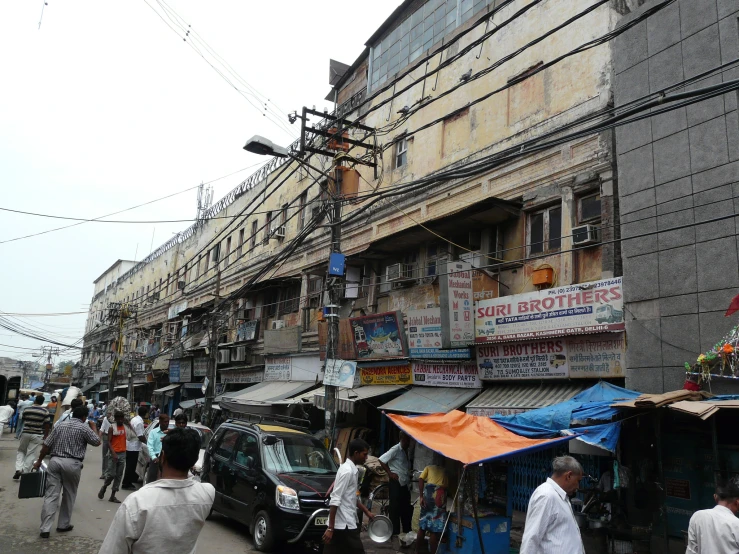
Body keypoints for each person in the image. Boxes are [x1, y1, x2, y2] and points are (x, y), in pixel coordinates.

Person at [97, 427, 215, 554]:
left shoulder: (137, 502)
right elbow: (190, 479)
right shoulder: (206, 494)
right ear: (195, 459)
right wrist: (185, 447)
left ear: (162, 457)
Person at [33, 404, 101, 538]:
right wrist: (93, 427)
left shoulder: (60, 425)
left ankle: (45, 528)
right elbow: (97, 442)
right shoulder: (84, 427)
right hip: (73, 463)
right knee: (69, 494)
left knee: (51, 494)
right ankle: (63, 525)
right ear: (84, 417)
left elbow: (46, 445)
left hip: (55, 461)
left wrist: (40, 460)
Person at [520, 455, 585, 554]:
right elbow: (532, 537)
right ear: (569, 476)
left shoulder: (560, 496)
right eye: (578, 481)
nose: (578, 486)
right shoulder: (547, 496)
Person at [323, 438, 375, 554]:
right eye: (364, 454)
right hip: (344, 524)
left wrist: (366, 512)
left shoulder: (353, 470)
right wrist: (330, 528)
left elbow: (352, 498)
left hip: (344, 523)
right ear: (356, 453)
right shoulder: (347, 471)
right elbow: (335, 499)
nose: (366, 458)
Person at [686, 476, 739, 553]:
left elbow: (691, 551)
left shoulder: (697, 517)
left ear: (715, 497)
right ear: (737, 502)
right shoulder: (736, 524)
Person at [378, 430, 413, 540]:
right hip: (396, 482)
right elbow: (382, 460)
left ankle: (407, 530)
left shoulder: (405, 451)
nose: (409, 442)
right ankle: (395, 532)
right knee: (395, 508)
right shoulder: (396, 449)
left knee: (406, 507)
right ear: (402, 439)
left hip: (404, 482)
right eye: (407, 440)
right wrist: (390, 473)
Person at [416, 453, 448, 554]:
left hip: (427, 495)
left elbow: (420, 479)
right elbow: (446, 486)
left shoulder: (428, 467)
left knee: (423, 526)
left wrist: (421, 496)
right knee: (435, 528)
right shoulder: (445, 471)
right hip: (439, 497)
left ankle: (417, 551)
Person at [14, 395, 51, 478]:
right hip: (37, 434)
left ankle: (18, 469)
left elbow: (23, 419)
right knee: (31, 453)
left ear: (35, 401)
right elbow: (47, 424)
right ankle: (25, 472)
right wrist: (46, 435)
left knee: (21, 451)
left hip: (26, 432)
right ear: (42, 402)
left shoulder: (27, 409)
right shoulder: (45, 411)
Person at [98, 411, 128, 503]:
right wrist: (113, 453)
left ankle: (113, 495)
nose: (120, 420)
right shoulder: (112, 428)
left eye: (121, 418)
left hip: (123, 453)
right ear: (115, 419)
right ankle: (104, 487)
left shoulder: (125, 427)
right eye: (118, 418)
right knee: (111, 474)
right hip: (114, 453)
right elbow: (109, 442)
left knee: (119, 475)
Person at [121, 407, 148, 490]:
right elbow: (140, 436)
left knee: (130, 465)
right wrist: (147, 442)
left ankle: (128, 482)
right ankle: (126, 483)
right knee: (131, 466)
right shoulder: (139, 422)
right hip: (134, 446)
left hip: (129, 445)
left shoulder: (134, 419)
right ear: (145, 413)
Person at [146, 413, 169, 484]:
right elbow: (150, 446)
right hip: (156, 459)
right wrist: (154, 457)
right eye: (165, 422)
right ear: (160, 422)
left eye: (168, 422)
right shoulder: (153, 432)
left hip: (166, 460)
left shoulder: (170, 433)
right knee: (152, 480)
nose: (167, 423)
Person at [100, 412, 111, 479]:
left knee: (111, 456)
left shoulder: (116, 419)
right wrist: (98, 438)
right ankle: (104, 473)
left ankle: (109, 473)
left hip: (113, 438)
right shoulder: (105, 419)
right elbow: (102, 428)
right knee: (105, 456)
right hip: (106, 437)